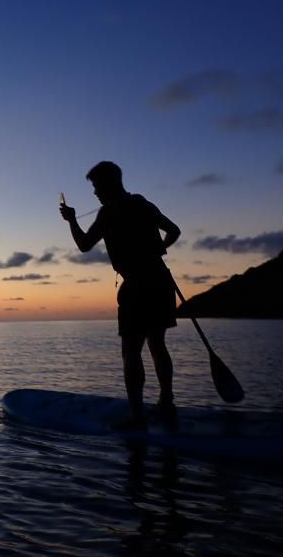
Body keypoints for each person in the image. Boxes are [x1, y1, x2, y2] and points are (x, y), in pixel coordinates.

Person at [60, 161, 181, 427]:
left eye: (96, 186)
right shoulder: (143, 204)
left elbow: (84, 245)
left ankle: (137, 415)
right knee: (157, 345)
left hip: (137, 286)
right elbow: (174, 231)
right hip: (161, 281)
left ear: (110, 183)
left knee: (131, 352)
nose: (95, 192)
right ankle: (166, 402)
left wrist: (71, 221)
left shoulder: (108, 213)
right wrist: (159, 249)